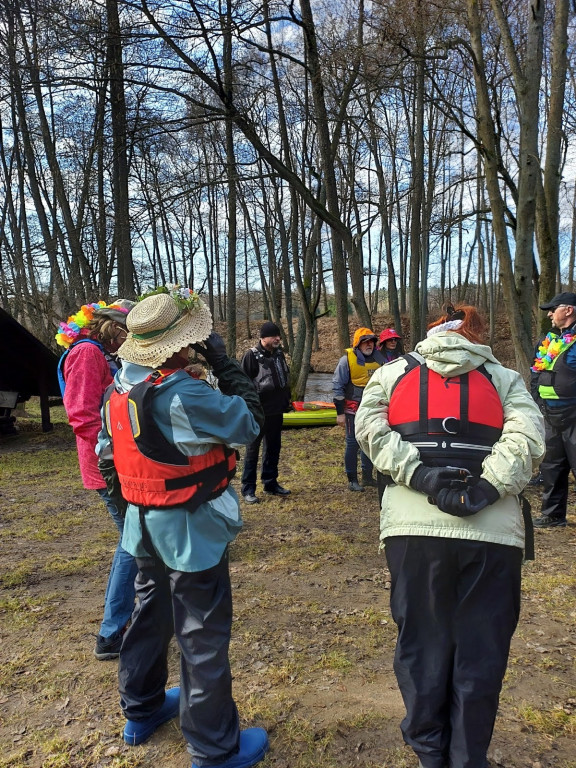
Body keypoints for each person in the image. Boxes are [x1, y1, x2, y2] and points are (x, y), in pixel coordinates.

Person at [355, 304, 545, 768]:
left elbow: (370, 429)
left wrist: (422, 478)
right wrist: (487, 487)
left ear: (431, 333)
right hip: (493, 536)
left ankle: (429, 751)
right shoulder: (505, 379)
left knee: (422, 644)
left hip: (412, 531)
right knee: (482, 650)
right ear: (477, 336)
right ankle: (467, 756)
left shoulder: (392, 373)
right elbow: (528, 437)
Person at [100, 288, 269, 768]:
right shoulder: (186, 393)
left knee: (151, 614)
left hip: (143, 524)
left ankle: (142, 709)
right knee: (202, 633)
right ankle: (216, 749)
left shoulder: (118, 389)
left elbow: (110, 454)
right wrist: (225, 362)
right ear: (182, 343)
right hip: (190, 529)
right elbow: (250, 422)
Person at [56, 299, 138, 660]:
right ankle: (111, 632)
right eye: (128, 334)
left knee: (135, 539)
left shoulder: (100, 353)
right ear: (115, 328)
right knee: (133, 541)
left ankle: (126, 621)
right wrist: (118, 451)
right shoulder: (88, 354)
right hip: (108, 466)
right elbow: (81, 416)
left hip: (115, 461)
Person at [531, 291, 576, 527]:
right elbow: (536, 372)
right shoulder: (550, 340)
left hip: (574, 415)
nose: (549, 314)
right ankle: (553, 515)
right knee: (552, 466)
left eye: (553, 308)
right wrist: (537, 401)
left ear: (568, 310)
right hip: (551, 414)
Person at [240, 321, 291, 504]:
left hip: (276, 412)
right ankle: (248, 489)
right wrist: (248, 408)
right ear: (263, 338)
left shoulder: (279, 355)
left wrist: (287, 401)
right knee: (252, 451)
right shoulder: (251, 356)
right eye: (274, 336)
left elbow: (285, 379)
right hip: (257, 413)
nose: (278, 338)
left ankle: (270, 483)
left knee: (273, 449)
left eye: (278, 335)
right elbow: (243, 385)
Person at [332, 327, 385, 491]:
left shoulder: (381, 359)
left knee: (369, 441)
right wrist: (339, 413)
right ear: (358, 344)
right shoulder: (346, 360)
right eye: (365, 342)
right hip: (351, 409)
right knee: (353, 442)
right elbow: (337, 387)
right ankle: (352, 480)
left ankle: (368, 477)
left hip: (373, 409)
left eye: (371, 342)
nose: (369, 345)